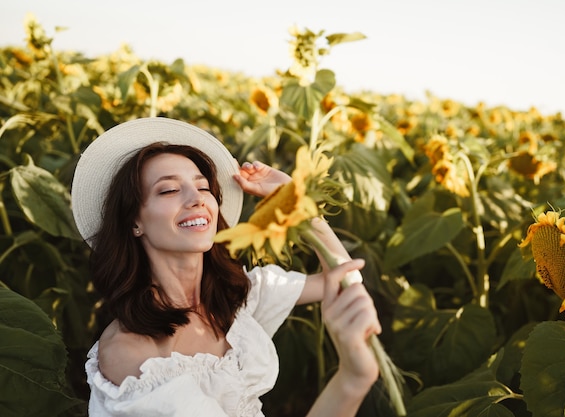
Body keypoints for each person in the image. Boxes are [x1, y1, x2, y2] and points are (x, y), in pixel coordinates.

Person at [71, 117, 381, 417]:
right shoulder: (135, 357)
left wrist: (297, 205)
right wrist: (351, 380)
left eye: (204, 187)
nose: (196, 199)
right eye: (168, 190)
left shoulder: (236, 298)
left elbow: (344, 277)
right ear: (134, 221)